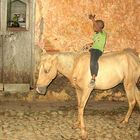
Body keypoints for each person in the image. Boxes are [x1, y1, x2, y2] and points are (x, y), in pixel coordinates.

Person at [85, 14, 107, 87]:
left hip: (97, 50)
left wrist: (92, 19)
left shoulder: (103, 33)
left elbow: (97, 27)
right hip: (93, 49)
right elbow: (95, 42)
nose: (93, 27)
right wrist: (89, 44)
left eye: (94, 26)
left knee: (93, 61)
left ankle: (93, 79)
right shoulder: (96, 34)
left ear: (99, 27)